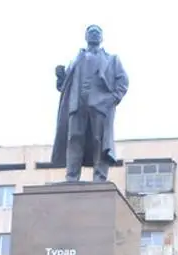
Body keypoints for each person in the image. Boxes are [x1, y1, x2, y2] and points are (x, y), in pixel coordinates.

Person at [51, 24, 129, 182]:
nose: (94, 34)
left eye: (97, 32)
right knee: (74, 139)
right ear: (86, 37)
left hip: (100, 106)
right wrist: (60, 77)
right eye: (90, 32)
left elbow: (123, 80)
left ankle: (100, 178)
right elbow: (64, 86)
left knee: (99, 141)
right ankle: (71, 177)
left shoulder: (112, 59)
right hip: (77, 105)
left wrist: (113, 98)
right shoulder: (76, 59)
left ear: (102, 38)